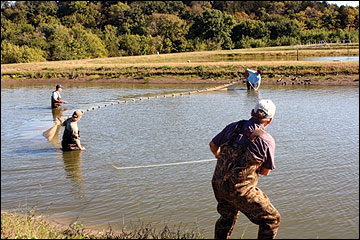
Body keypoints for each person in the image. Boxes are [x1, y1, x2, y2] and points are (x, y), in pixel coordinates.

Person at [209, 99, 280, 239]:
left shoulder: (233, 126)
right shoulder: (266, 140)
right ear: (270, 120)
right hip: (240, 190)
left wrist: (219, 156)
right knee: (272, 219)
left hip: (218, 184)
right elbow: (265, 172)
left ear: (252, 112)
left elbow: (213, 145)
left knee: (226, 217)